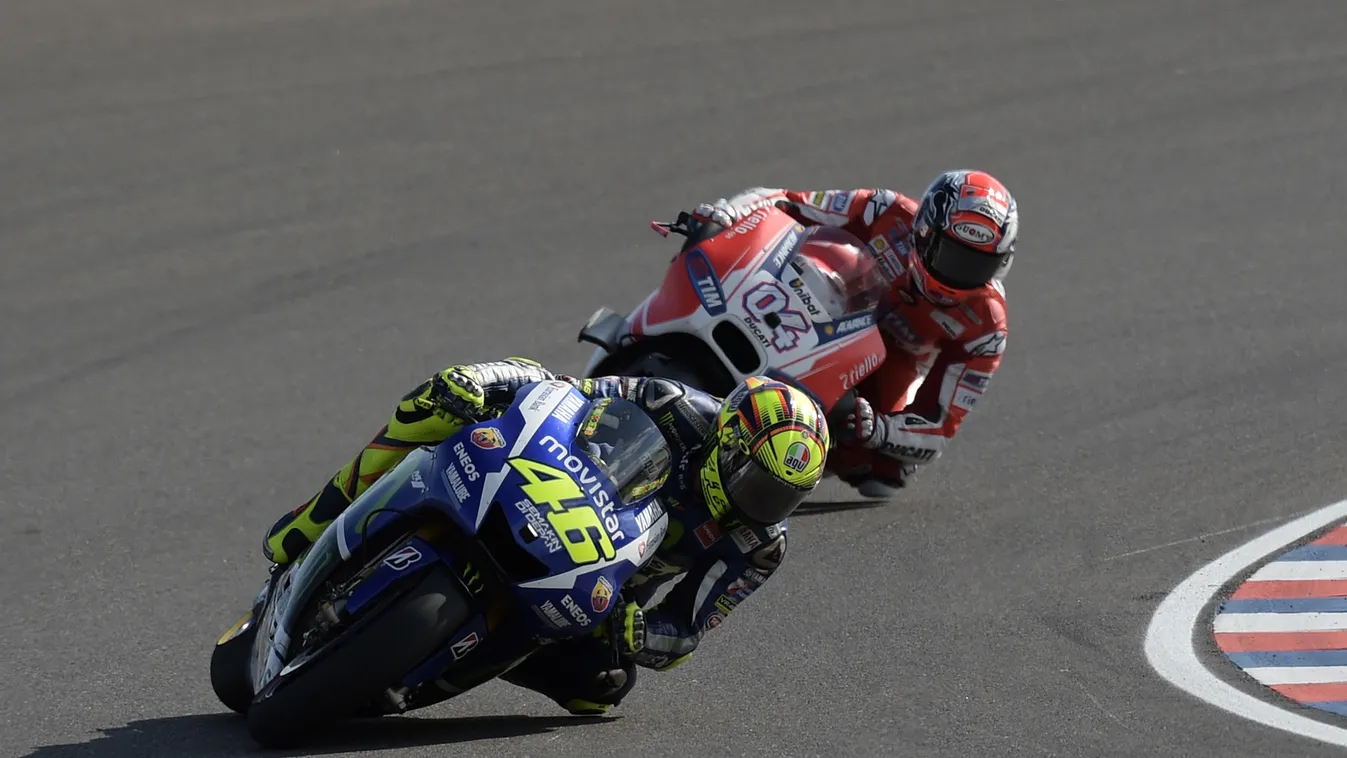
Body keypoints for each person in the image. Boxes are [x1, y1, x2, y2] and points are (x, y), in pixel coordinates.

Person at [262, 357, 830, 715]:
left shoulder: (760, 547)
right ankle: (311, 521)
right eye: (759, 483)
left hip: (604, 585)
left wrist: (640, 633)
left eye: (784, 496)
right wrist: (482, 384)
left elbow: (687, 631)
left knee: (601, 688)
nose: (765, 505)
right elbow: (563, 392)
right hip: (556, 491)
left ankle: (439, 668)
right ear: (729, 445)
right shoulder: (670, 404)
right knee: (431, 408)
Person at [690, 170, 1017, 499]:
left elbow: (938, 427)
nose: (959, 276)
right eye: (952, 256)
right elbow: (786, 201)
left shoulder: (987, 326)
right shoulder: (884, 210)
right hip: (815, 305)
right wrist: (730, 213)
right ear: (924, 230)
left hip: (889, 364)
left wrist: (880, 430)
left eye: (977, 266)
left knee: (884, 472)